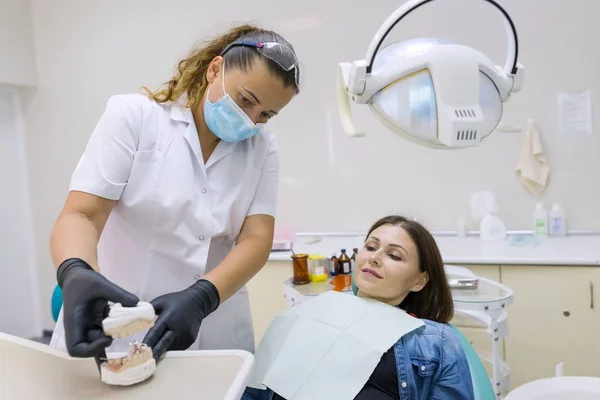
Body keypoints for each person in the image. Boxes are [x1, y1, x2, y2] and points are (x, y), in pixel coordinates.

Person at [49, 23, 301, 362]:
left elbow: (256, 239)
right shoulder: (135, 118)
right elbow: (82, 214)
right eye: (245, 100)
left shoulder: (262, 148)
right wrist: (76, 271)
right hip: (116, 328)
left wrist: (204, 297)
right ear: (215, 69)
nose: (250, 120)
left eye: (265, 115)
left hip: (211, 332)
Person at [243, 215, 475, 400]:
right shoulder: (308, 314)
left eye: (394, 255)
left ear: (419, 281)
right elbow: (255, 389)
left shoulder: (435, 342)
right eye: (371, 246)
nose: (375, 258)